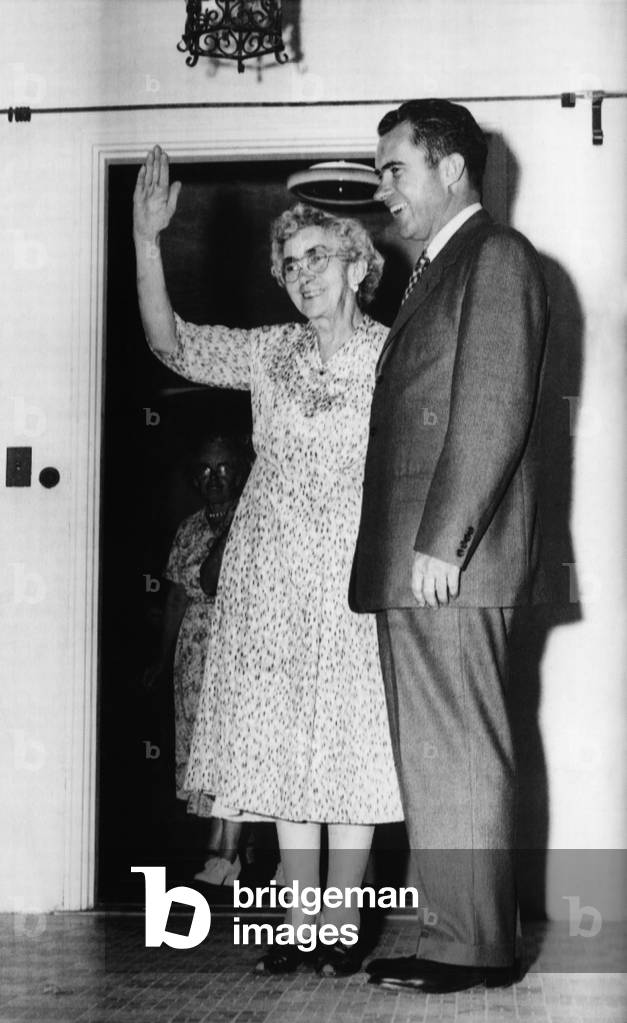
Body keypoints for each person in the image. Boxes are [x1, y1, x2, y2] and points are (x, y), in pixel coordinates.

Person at [133, 146, 403, 976]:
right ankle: (294, 922)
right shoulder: (267, 353)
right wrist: (146, 241)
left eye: (316, 256)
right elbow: (170, 343)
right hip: (269, 573)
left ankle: (341, 920)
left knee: (348, 742)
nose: (299, 274)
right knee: (278, 742)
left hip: (353, 574)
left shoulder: (396, 353)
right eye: (288, 264)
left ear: (358, 264)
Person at [350, 99, 550, 995]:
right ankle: (453, 935)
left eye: (395, 168)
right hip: (422, 563)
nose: (381, 187)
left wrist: (443, 540)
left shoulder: (494, 257)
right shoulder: (437, 270)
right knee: (436, 754)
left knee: (460, 750)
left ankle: (473, 946)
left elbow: (492, 405)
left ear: (452, 169)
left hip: (448, 564)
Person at [145, 432, 251, 884]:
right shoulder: (188, 528)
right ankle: (224, 854)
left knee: (238, 746)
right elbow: (174, 598)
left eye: (224, 467)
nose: (215, 478)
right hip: (195, 657)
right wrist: (161, 659)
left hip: (242, 650)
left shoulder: (253, 519)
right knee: (203, 750)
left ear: (241, 470)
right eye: (205, 469)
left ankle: (229, 853)